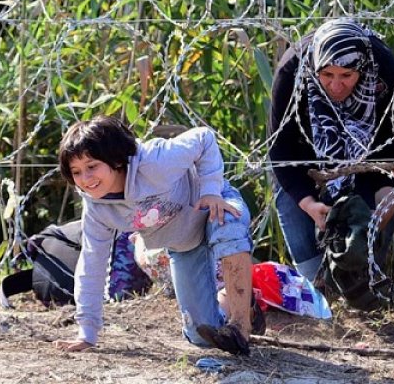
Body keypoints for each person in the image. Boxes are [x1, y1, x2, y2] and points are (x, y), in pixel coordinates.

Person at [54, 115, 260, 356]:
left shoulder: (154, 160)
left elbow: (204, 138)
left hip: (213, 207)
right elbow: (92, 263)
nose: (86, 179)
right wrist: (87, 333)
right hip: (185, 244)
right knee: (200, 334)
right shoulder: (97, 208)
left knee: (229, 225)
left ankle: (240, 325)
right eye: (76, 172)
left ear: (116, 159)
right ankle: (249, 308)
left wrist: (211, 190)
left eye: (92, 166)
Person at [268, 18, 394, 287]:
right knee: (312, 276)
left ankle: (363, 281)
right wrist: (309, 204)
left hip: (364, 164)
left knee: (358, 264)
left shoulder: (383, 70)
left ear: (363, 69)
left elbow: (389, 147)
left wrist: (385, 194)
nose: (336, 86)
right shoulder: (292, 71)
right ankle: (317, 291)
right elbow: (281, 150)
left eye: (347, 75)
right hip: (301, 164)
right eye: (327, 75)